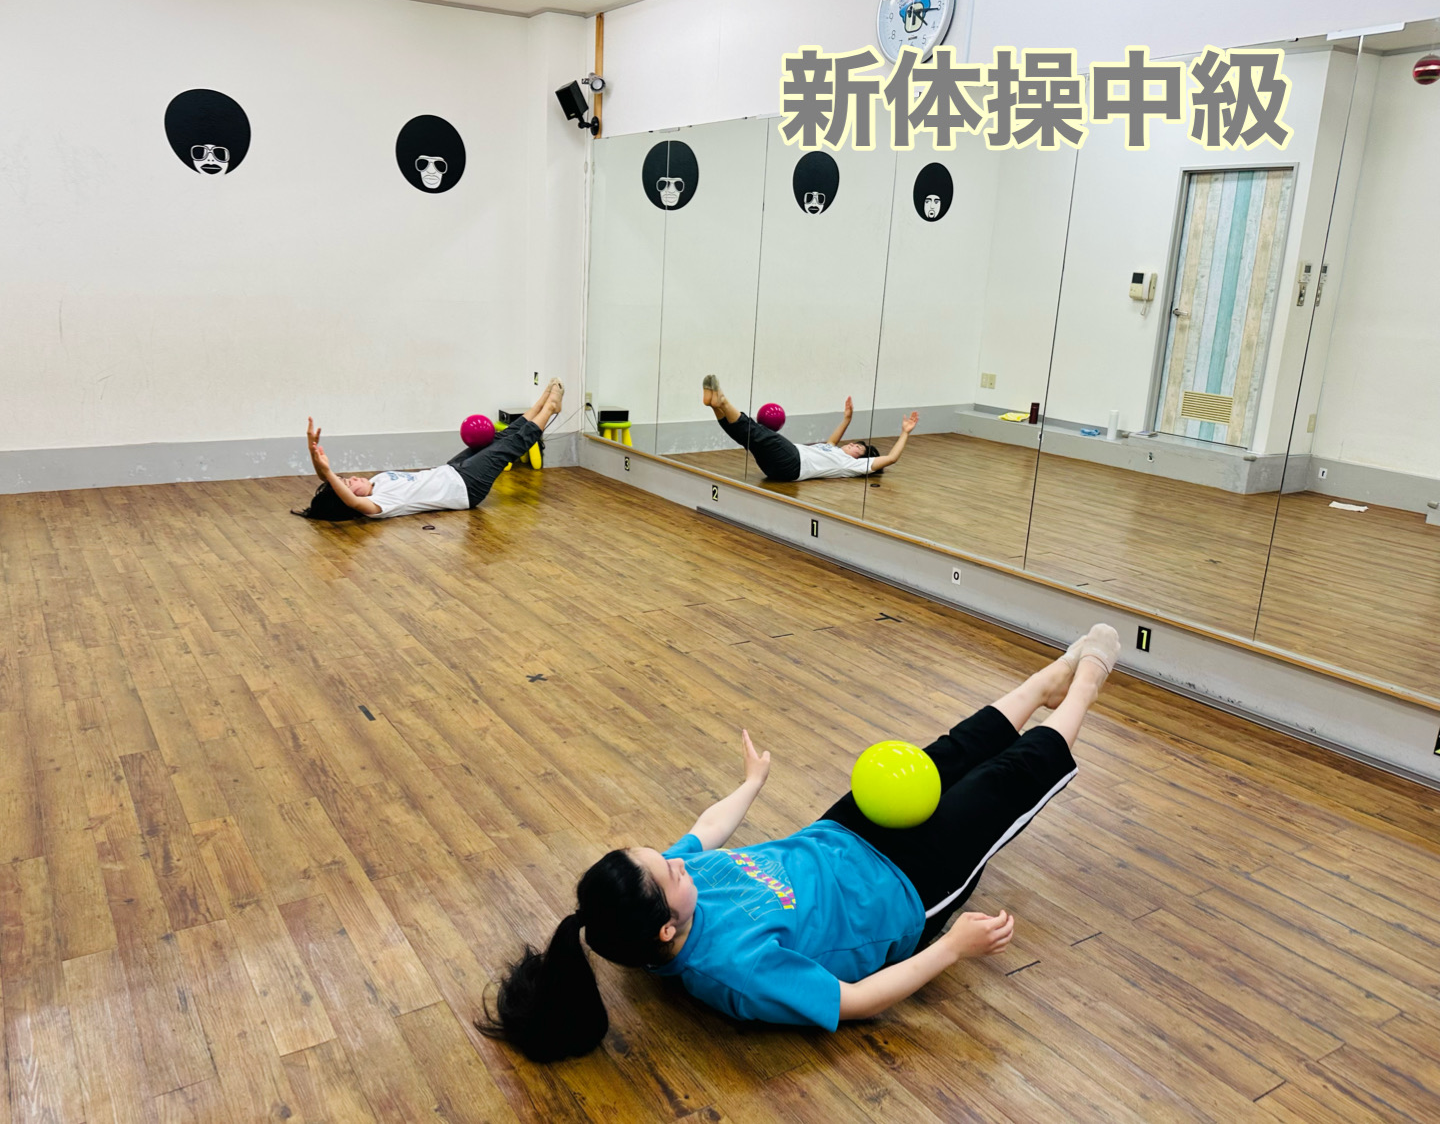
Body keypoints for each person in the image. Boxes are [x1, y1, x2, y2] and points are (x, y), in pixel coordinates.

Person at [480, 624, 1123, 1062]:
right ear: (667, 930)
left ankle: (1047, 682)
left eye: (660, 856)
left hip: (839, 832)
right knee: (1005, 782)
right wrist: (952, 947)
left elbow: (707, 830)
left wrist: (750, 784)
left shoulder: (656, 897)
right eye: (671, 873)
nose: (678, 863)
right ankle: (1089, 681)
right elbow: (856, 1003)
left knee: (949, 752)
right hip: (900, 891)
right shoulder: (733, 970)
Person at [293, 379, 563, 521]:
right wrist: (330, 474)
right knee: (507, 448)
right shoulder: (377, 506)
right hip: (465, 490)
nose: (351, 478)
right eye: (347, 484)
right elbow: (349, 500)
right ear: (348, 499)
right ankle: (550, 408)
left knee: (499, 438)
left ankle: (542, 402)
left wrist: (312, 451)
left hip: (451, 471)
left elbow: (326, 480)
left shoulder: (376, 484)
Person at [702, 375, 917, 483]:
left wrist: (905, 432)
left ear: (861, 459)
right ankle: (715, 406)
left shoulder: (851, 465)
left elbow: (891, 458)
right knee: (746, 438)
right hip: (776, 470)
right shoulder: (832, 450)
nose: (852, 444)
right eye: (854, 443)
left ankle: (723, 401)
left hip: (793, 462)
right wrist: (847, 419)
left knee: (759, 433)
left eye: (858, 448)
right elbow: (833, 441)